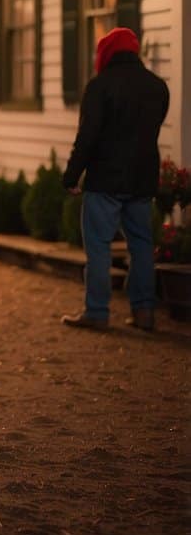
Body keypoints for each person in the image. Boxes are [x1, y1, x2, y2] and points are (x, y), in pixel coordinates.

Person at [62, 27, 169, 332]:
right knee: (141, 245)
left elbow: (87, 137)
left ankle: (97, 311)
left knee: (99, 247)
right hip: (141, 178)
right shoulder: (157, 87)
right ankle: (144, 311)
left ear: (106, 53)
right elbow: (153, 127)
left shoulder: (100, 86)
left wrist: (72, 174)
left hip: (105, 180)